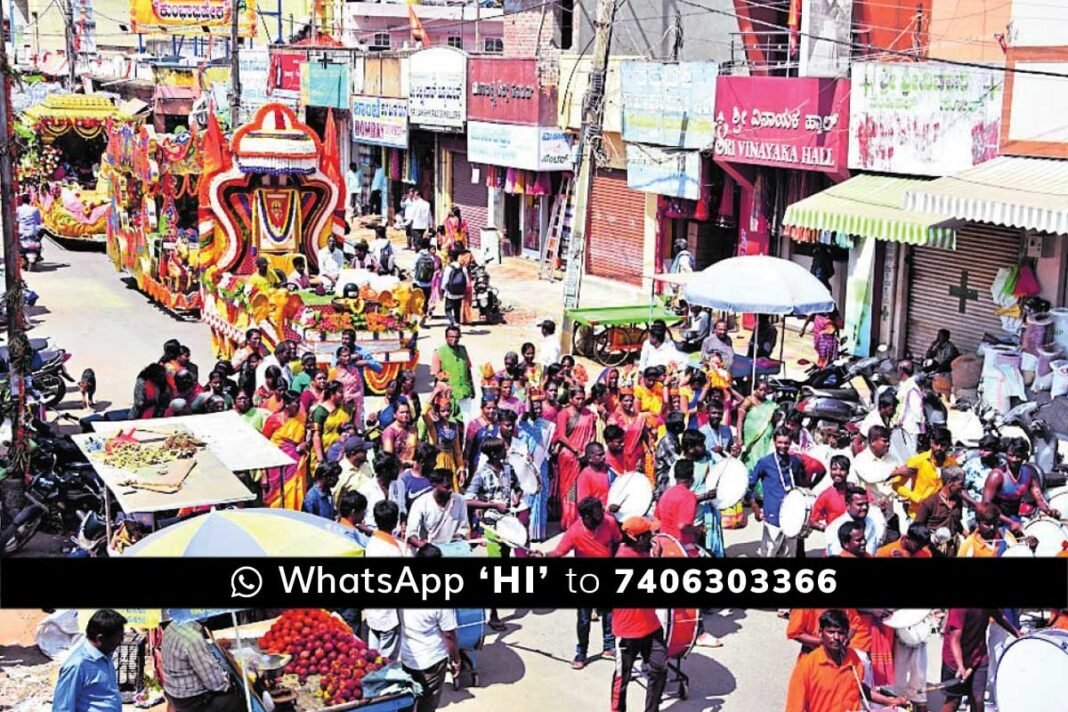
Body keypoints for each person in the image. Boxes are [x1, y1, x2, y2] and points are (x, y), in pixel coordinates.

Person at [542, 496, 619, 668]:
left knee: (608, 613)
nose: (602, 515)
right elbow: (559, 552)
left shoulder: (609, 522)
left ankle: (609, 646)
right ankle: (581, 653)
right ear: (587, 517)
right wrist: (543, 555)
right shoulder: (575, 531)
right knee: (584, 619)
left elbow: (617, 541)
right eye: (598, 513)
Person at [785, 609, 908, 712]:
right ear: (821, 633)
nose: (837, 637)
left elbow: (858, 688)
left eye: (841, 633)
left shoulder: (853, 660)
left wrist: (890, 701)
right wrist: (823, 643)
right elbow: (795, 708)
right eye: (831, 632)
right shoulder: (806, 667)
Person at [611, 516, 668, 712]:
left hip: (650, 626)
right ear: (636, 538)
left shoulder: (642, 550)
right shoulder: (624, 559)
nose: (653, 537)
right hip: (628, 631)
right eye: (648, 535)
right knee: (622, 677)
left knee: (659, 668)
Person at [940, 608, 1020, 712]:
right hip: (954, 659)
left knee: (978, 700)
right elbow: (955, 640)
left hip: (979, 656)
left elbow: (999, 618)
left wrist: (1017, 634)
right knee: (954, 701)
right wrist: (960, 666)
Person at [161, 619, 244, 712]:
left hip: (172, 692)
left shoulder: (172, 625)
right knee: (237, 699)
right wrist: (230, 681)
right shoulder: (193, 639)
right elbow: (216, 684)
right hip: (190, 701)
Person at [748, 428, 806, 557]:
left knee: (789, 553)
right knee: (770, 552)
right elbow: (749, 486)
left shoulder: (795, 461)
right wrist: (755, 507)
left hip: (792, 515)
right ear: (774, 442)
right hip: (773, 514)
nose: (783, 446)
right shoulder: (765, 462)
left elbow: (800, 485)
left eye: (786, 443)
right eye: (780, 442)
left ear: (790, 443)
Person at [52, 609, 126, 712]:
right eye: (118, 638)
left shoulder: (105, 655)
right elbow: (62, 708)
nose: (121, 642)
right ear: (100, 639)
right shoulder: (77, 666)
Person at [981, 437, 1060, 529]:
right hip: (994, 522)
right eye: (1011, 455)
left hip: (1014, 518)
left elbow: (1040, 500)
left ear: (1024, 456)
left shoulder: (1028, 474)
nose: (1014, 459)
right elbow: (985, 507)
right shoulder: (997, 476)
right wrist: (1010, 522)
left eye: (1018, 456)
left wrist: (1050, 511)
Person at [364, 500, 405, 661]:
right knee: (386, 660)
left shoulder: (372, 543)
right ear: (395, 522)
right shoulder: (393, 550)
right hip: (389, 615)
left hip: (373, 611)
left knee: (373, 653)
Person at [553, 386, 599, 530]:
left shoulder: (589, 414)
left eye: (582, 398)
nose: (580, 401)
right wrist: (576, 450)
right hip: (568, 456)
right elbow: (561, 436)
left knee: (582, 489)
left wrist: (587, 451)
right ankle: (568, 522)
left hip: (584, 457)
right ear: (570, 399)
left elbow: (592, 433)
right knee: (568, 490)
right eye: (577, 399)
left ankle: (580, 521)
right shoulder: (564, 413)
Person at [894, 426, 958, 517]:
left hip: (941, 515)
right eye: (936, 444)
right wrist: (914, 497)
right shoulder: (917, 461)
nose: (939, 448)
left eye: (943, 445)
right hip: (918, 514)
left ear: (949, 446)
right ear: (931, 443)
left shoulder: (953, 465)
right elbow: (896, 485)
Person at [406, 469, 471, 549]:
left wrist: (458, 538)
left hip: (451, 550)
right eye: (446, 487)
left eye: (451, 486)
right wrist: (422, 545)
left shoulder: (459, 501)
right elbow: (411, 534)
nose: (450, 490)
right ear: (434, 485)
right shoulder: (421, 503)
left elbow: (464, 528)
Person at [264, 391, 307, 510]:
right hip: (276, 466)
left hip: (296, 464)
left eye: (299, 402)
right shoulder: (273, 420)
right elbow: (264, 446)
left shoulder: (302, 419)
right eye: (295, 403)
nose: (298, 405)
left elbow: (303, 440)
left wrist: (302, 446)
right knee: (277, 499)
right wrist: (264, 474)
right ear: (286, 404)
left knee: (295, 492)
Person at [914, 466, 966, 557]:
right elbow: (916, 529)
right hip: (933, 551)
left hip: (952, 550)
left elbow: (956, 522)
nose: (963, 487)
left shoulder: (958, 501)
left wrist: (967, 534)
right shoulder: (929, 503)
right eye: (961, 484)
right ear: (950, 483)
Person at [825, 486, 882, 557]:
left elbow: (871, 551)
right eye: (860, 504)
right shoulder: (834, 529)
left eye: (866, 504)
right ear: (847, 505)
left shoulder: (870, 522)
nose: (865, 507)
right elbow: (839, 554)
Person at [962, 435, 1002, 531]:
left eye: (986, 450)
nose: (981, 453)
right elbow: (961, 488)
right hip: (976, 513)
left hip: (999, 514)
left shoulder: (1003, 466)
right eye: (981, 449)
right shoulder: (972, 466)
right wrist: (976, 504)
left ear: (995, 451)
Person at [308, 382, 349, 474]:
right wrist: (321, 460)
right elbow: (316, 436)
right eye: (340, 392)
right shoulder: (320, 411)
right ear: (332, 394)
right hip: (324, 453)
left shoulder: (341, 409)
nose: (343, 395)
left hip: (339, 452)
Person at [431, 325, 475, 403]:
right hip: (449, 396)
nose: (454, 339)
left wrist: (472, 389)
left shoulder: (463, 349)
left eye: (457, 337)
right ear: (446, 337)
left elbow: (468, 371)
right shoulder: (439, 352)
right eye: (451, 337)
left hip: (465, 393)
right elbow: (436, 377)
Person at [808, 455, 851, 532]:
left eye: (842, 469)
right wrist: (827, 529)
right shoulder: (825, 495)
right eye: (834, 469)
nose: (838, 473)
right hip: (835, 539)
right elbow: (812, 521)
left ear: (848, 471)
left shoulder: (855, 491)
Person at [892, 359, 925, 456]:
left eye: (898, 369)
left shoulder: (912, 388)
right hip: (900, 428)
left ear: (902, 370)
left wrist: (921, 429)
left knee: (909, 457)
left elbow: (918, 411)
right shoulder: (904, 386)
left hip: (909, 429)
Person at [335, 436, 376, 508]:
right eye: (363, 450)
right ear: (353, 453)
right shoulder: (341, 472)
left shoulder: (366, 465)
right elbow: (336, 499)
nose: (366, 452)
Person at [653, 411, 686, 499]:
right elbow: (676, 463)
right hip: (664, 484)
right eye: (682, 424)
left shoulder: (674, 439)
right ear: (677, 427)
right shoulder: (667, 442)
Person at [382, 400, 419, 468]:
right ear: (394, 415)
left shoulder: (412, 430)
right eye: (402, 412)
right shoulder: (389, 431)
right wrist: (406, 462)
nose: (405, 415)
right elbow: (388, 456)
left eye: (407, 412)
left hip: (412, 467)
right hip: (396, 469)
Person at [577, 442, 613, 509]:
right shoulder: (585, 475)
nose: (604, 457)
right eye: (600, 455)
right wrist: (606, 508)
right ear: (590, 458)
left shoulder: (609, 470)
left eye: (604, 454)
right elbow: (584, 503)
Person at [412, 237, 436, 321]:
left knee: (417, 299)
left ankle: (418, 315)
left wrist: (413, 277)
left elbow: (413, 268)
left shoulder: (418, 256)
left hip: (417, 281)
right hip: (428, 282)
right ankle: (424, 314)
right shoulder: (431, 257)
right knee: (426, 300)